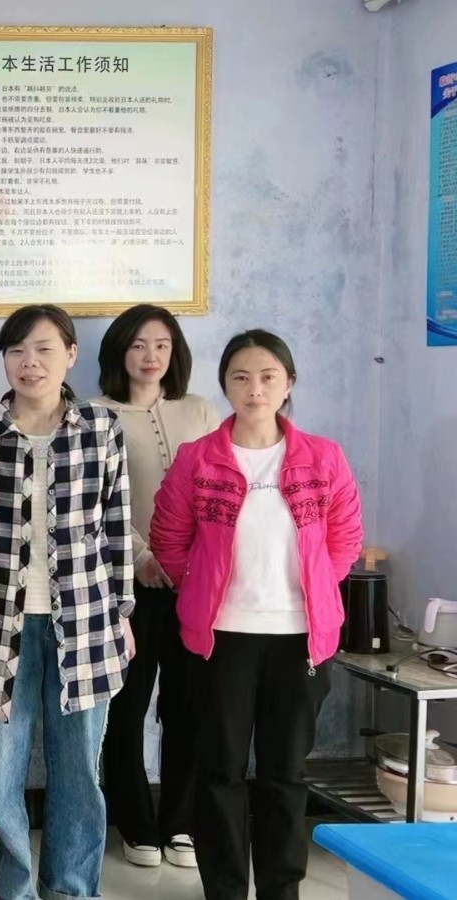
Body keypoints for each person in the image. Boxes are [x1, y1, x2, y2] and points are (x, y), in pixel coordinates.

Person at [150, 329, 362, 900]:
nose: (255, 389)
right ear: (225, 385)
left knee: (285, 773)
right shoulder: (198, 459)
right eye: (240, 377)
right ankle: (223, 889)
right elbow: (168, 539)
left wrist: (314, 590)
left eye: (268, 377)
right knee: (219, 771)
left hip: (300, 638)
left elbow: (344, 539)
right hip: (221, 638)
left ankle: (280, 890)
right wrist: (201, 589)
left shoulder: (324, 458)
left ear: (288, 383)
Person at [0, 304, 135, 900]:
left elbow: (116, 529)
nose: (30, 362)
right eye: (17, 350)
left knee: (79, 773)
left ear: (70, 355)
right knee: (1, 776)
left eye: (44, 349)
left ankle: (71, 890)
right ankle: (12, 892)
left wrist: (121, 613)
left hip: (85, 622)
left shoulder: (100, 427)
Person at [93, 305, 220, 871]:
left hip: (196, 583)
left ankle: (181, 823)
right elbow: (95, 500)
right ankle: (135, 823)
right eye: (139, 345)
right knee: (126, 706)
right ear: (119, 351)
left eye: (162, 345)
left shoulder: (200, 410)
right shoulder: (95, 413)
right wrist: (141, 555)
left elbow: (220, 490)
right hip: (126, 581)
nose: (151, 356)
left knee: (188, 705)